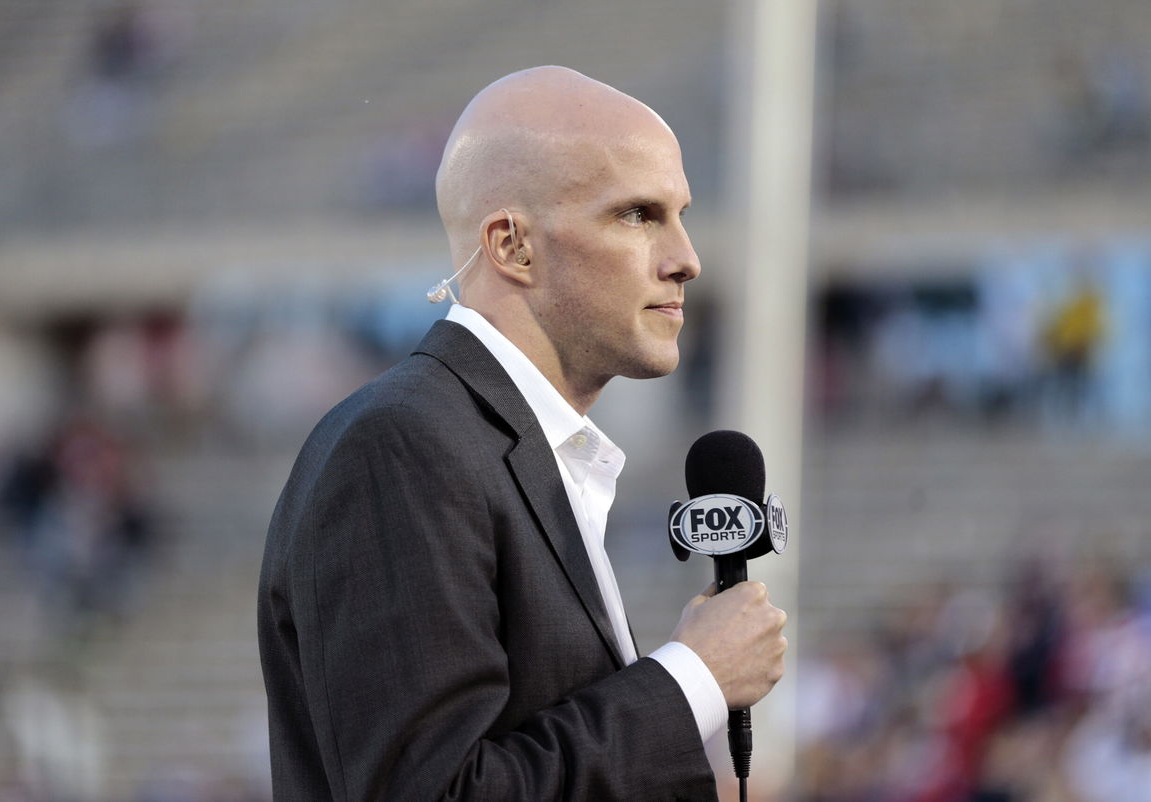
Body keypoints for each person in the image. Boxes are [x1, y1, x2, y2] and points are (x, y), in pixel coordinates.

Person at [258, 65, 788, 801]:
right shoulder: (402, 446)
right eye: (637, 214)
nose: (686, 259)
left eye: (681, 213)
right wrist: (692, 679)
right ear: (512, 246)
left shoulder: (503, 446)